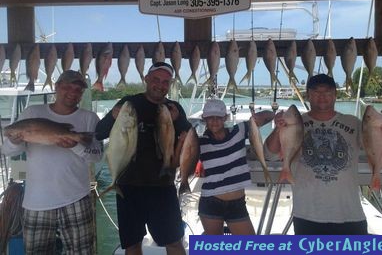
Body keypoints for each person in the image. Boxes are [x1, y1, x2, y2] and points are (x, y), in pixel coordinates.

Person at [264, 74, 382, 235]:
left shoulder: (353, 123)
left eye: (327, 92)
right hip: (306, 214)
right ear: (308, 95)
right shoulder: (296, 121)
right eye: (316, 92)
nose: (322, 96)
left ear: (335, 95)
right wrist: (278, 128)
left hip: (350, 213)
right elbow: (270, 154)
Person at [95, 62, 191, 255]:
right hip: (128, 187)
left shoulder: (174, 108)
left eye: (165, 82)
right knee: (132, 244)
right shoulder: (129, 103)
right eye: (156, 79)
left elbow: (190, 141)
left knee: (173, 242)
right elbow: (100, 133)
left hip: (162, 187)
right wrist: (112, 117)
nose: (160, 85)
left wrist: (178, 120)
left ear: (169, 84)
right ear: (146, 79)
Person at [3, 70, 102, 254]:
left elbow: (96, 155)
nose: (73, 92)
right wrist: (14, 140)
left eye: (78, 89)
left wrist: (74, 145)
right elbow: (7, 150)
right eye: (67, 87)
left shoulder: (89, 118)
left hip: (77, 198)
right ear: (56, 87)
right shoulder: (32, 112)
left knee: (82, 251)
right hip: (36, 202)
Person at [198, 99, 275, 235]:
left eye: (219, 117)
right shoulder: (200, 142)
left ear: (225, 118)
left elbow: (270, 116)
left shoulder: (239, 130)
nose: (214, 121)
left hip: (237, 203)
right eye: (210, 118)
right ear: (204, 119)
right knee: (213, 248)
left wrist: (257, 117)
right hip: (210, 201)